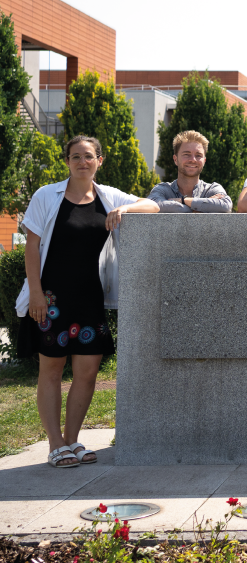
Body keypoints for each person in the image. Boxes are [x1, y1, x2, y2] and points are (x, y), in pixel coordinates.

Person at [15, 135, 159, 468]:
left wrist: (124, 209)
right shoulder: (46, 196)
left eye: (89, 156)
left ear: (99, 160)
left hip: (89, 299)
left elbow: (152, 205)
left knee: (88, 372)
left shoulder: (108, 197)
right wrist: (35, 293)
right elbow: (31, 246)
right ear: (67, 161)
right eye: (76, 156)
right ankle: (54, 444)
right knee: (51, 370)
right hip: (50, 299)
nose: (82, 162)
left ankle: (71, 439)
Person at [147, 130, 232, 213]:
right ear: (175, 159)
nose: (193, 160)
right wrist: (203, 206)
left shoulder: (212, 189)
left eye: (198, 155)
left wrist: (183, 200)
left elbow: (226, 206)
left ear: (204, 161)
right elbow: (155, 205)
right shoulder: (162, 190)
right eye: (186, 154)